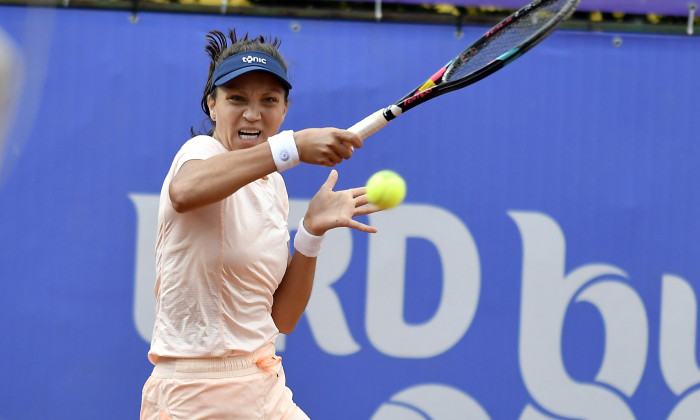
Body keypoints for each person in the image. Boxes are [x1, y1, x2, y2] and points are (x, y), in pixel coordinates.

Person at [140, 29, 381, 420]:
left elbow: (280, 320)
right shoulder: (200, 152)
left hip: (264, 385)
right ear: (212, 106)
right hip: (196, 395)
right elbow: (185, 191)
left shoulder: (273, 186)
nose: (253, 113)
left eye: (268, 100)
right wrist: (292, 147)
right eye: (237, 99)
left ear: (284, 110)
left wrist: (309, 234)